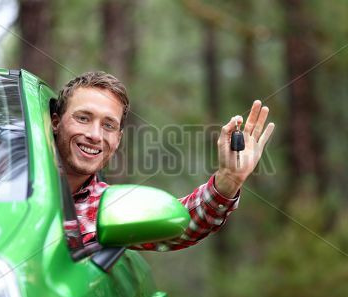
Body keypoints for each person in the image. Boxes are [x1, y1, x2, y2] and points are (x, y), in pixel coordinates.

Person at [51, 71, 275, 251]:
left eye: (108, 125)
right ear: (56, 122)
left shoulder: (106, 207)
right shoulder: (17, 183)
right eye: (83, 118)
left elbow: (180, 225)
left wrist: (228, 179)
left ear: (118, 139)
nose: (95, 135)